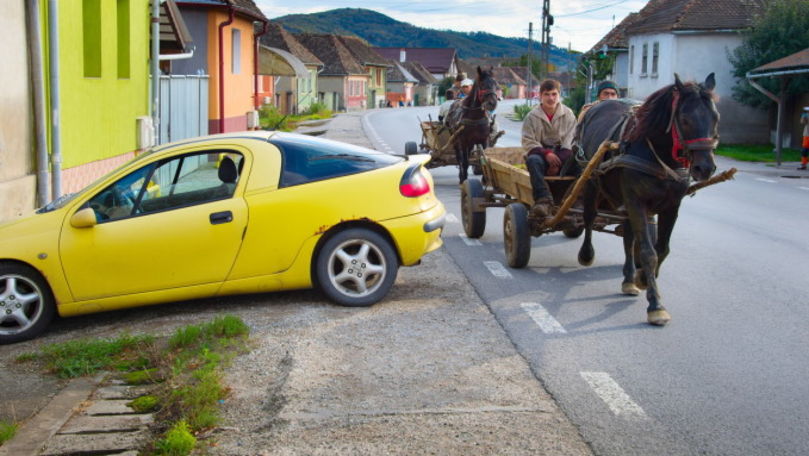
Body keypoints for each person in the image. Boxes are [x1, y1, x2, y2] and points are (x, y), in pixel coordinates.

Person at [521, 79, 578, 220]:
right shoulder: (532, 116)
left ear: (559, 95)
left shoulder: (568, 114)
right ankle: (543, 200)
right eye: (547, 94)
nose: (551, 98)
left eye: (554, 94)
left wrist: (557, 165)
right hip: (541, 154)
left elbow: (571, 140)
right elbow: (528, 141)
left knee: (582, 165)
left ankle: (575, 199)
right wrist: (546, 154)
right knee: (533, 161)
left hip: (563, 155)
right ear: (540, 96)